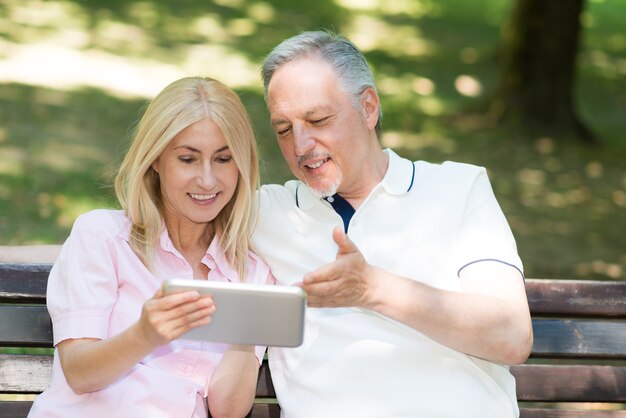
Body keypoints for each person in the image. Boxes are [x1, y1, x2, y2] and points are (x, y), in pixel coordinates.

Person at [252, 30, 533, 417]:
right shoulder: (264, 214)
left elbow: (512, 336)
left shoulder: (459, 188)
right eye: (283, 129)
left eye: (317, 119)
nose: (300, 146)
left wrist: (371, 289)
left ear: (368, 108)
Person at [28, 77, 273, 418]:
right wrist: (145, 334)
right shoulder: (102, 238)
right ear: (156, 160)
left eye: (223, 159)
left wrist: (246, 337)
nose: (207, 179)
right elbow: (80, 373)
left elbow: (227, 411)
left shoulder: (252, 274)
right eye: (188, 159)